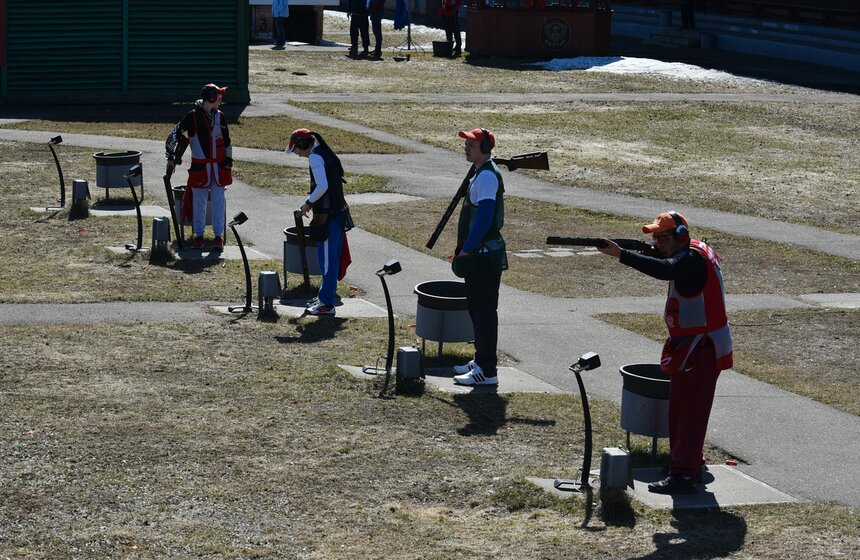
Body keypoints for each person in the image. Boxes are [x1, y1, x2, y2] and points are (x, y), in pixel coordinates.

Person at [597, 212, 733, 494]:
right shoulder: (692, 251)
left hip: (701, 346)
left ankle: (683, 475)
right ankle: (689, 462)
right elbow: (668, 262)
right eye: (654, 238)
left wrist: (622, 255)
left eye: (663, 238)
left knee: (689, 412)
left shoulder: (689, 259)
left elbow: (667, 269)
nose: (657, 243)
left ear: (681, 236)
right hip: (694, 343)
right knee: (682, 409)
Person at [452, 128, 507, 386]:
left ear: (485, 148)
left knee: (484, 312)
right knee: (477, 309)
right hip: (480, 254)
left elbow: (484, 218)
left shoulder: (486, 177)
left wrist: (468, 247)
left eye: (472, 144)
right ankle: (481, 359)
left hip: (483, 255)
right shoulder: (480, 172)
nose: (466, 147)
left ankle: (487, 370)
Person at [286, 128, 354, 316]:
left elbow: (323, 186)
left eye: (298, 150)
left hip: (329, 215)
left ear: (303, 144)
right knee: (328, 259)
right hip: (337, 212)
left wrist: (307, 204)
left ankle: (326, 303)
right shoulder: (322, 151)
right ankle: (325, 296)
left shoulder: (315, 157)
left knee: (327, 261)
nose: (299, 155)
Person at [165, 83, 233, 251]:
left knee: (219, 203)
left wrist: (228, 160)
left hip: (219, 168)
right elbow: (174, 135)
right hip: (200, 169)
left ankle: (218, 237)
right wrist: (171, 157)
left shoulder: (221, 117)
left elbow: (227, 142)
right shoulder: (192, 116)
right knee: (199, 203)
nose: (220, 100)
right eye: (218, 97)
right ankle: (199, 235)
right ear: (210, 98)